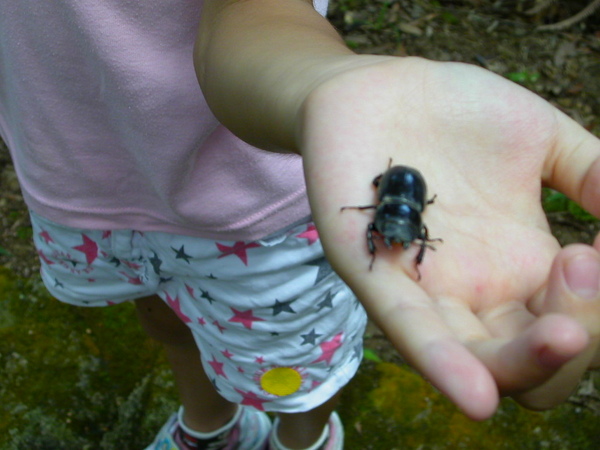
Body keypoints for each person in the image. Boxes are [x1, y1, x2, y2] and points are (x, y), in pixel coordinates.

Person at [1, 0, 600, 449]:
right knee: (163, 312)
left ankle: (305, 437)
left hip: (254, 219)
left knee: (294, 365)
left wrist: (329, 85)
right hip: (80, 184)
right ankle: (212, 426)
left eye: (395, 237)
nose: (391, 241)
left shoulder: (396, 215)